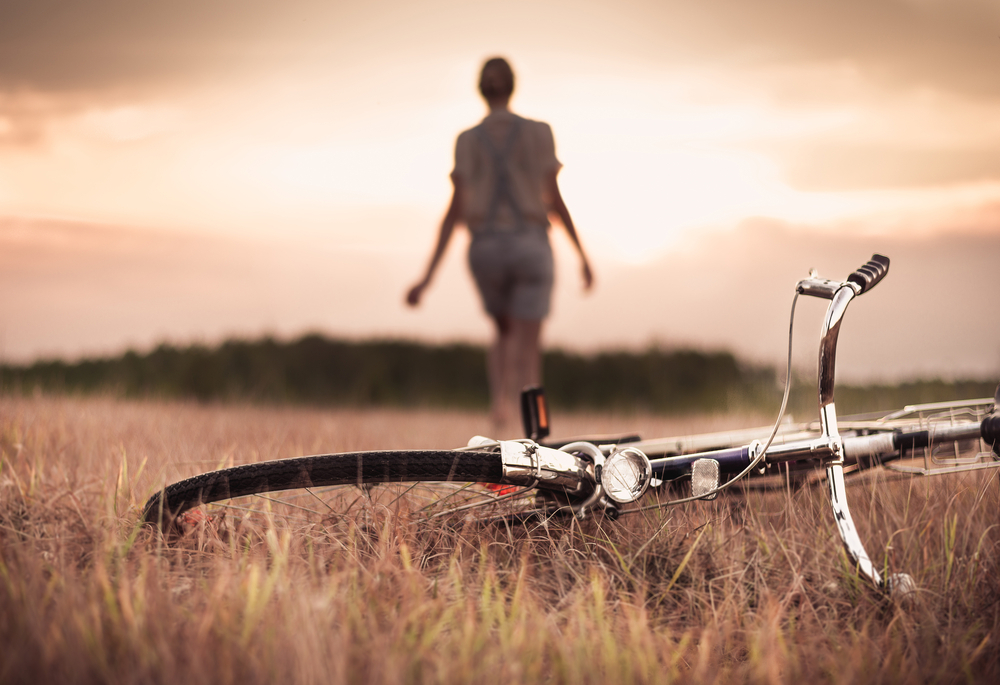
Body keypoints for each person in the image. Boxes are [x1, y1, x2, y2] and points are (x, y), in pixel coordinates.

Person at [406, 57, 593, 434]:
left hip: (485, 250)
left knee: (504, 332)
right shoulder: (540, 133)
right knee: (529, 346)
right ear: (512, 86)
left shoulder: (467, 141)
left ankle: (500, 402)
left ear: (482, 88)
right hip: (530, 245)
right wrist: (582, 255)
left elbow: (453, 212)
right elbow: (555, 200)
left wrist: (426, 278)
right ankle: (536, 428)